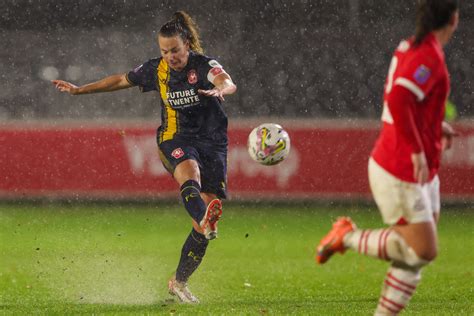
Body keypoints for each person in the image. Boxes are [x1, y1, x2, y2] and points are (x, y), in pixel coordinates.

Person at [52, 11, 237, 304]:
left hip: (213, 143)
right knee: (190, 176)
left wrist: (220, 89)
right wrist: (79, 90)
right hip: (174, 139)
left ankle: (179, 281)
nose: (170, 56)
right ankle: (205, 217)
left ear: (187, 43)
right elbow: (119, 80)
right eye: (164, 51)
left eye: (174, 50)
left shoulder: (203, 65)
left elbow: (226, 80)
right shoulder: (157, 70)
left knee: (200, 227)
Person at [315, 1, 459, 315]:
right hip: (399, 166)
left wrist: (435, 126)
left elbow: (407, 98)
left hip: (417, 167)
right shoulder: (429, 55)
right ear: (454, 19)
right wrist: (417, 148)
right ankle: (347, 236)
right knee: (424, 249)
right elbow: (398, 97)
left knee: (415, 255)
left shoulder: (413, 45)